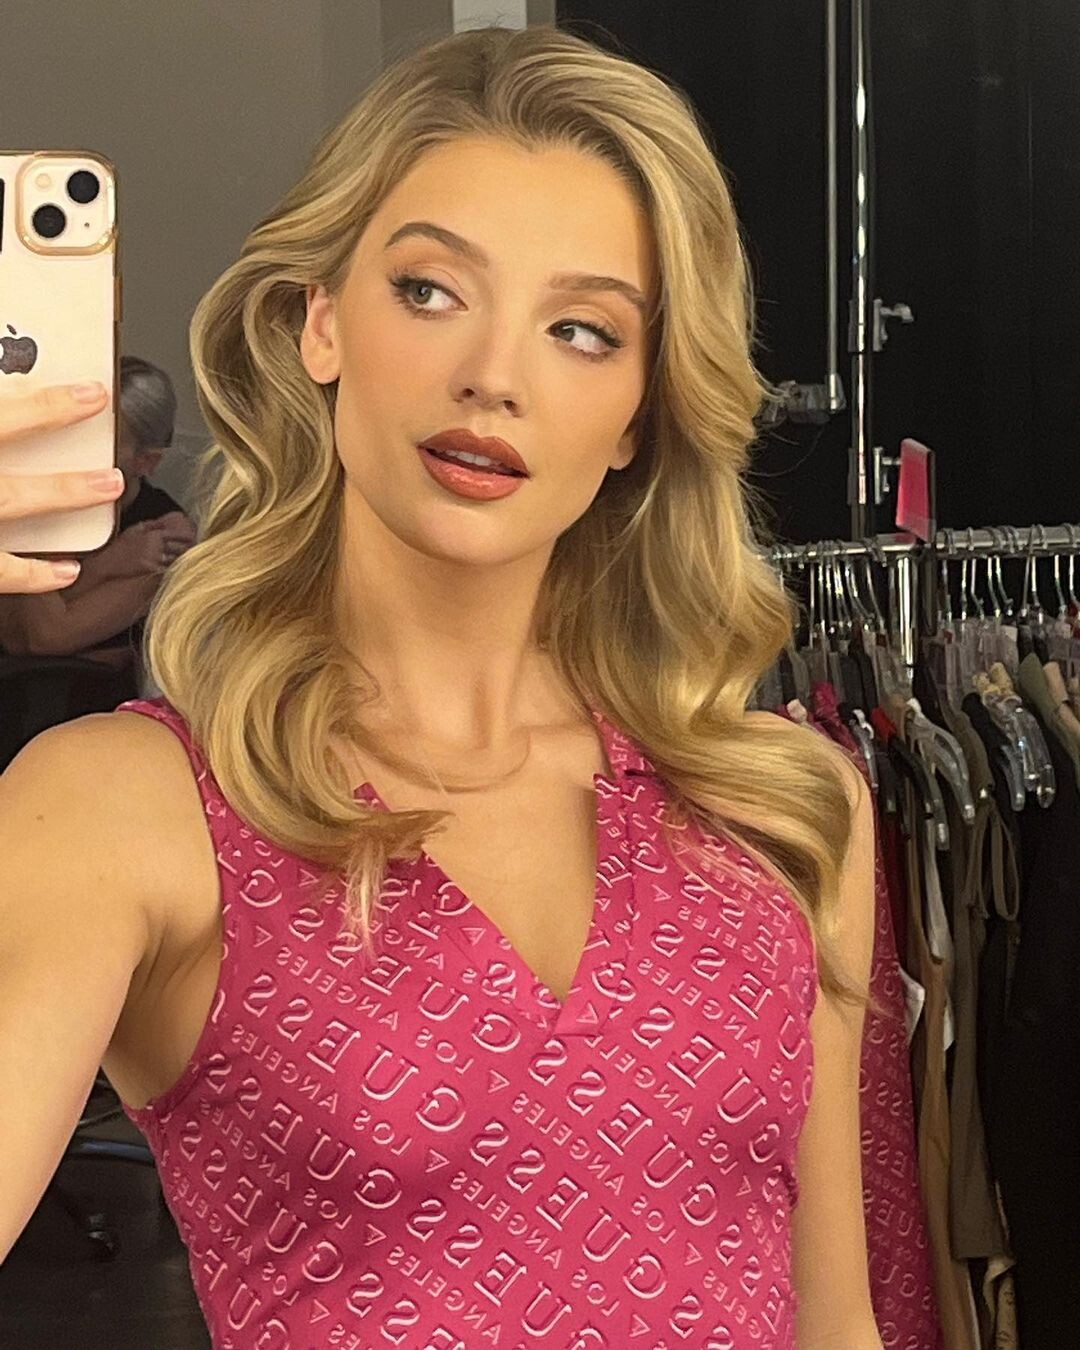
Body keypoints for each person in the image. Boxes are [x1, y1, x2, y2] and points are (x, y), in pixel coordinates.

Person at [0, 24, 883, 1350]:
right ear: (320, 322)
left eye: (581, 329)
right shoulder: (126, 810)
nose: (494, 374)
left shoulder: (786, 809)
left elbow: (838, 1325)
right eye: (428, 291)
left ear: (641, 409)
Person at [0, 356, 196, 700]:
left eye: (97, 441)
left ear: (146, 460)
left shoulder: (164, 533)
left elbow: (42, 636)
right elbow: (13, 628)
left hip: (75, 701)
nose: (70, 451)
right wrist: (109, 563)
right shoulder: (39, 496)